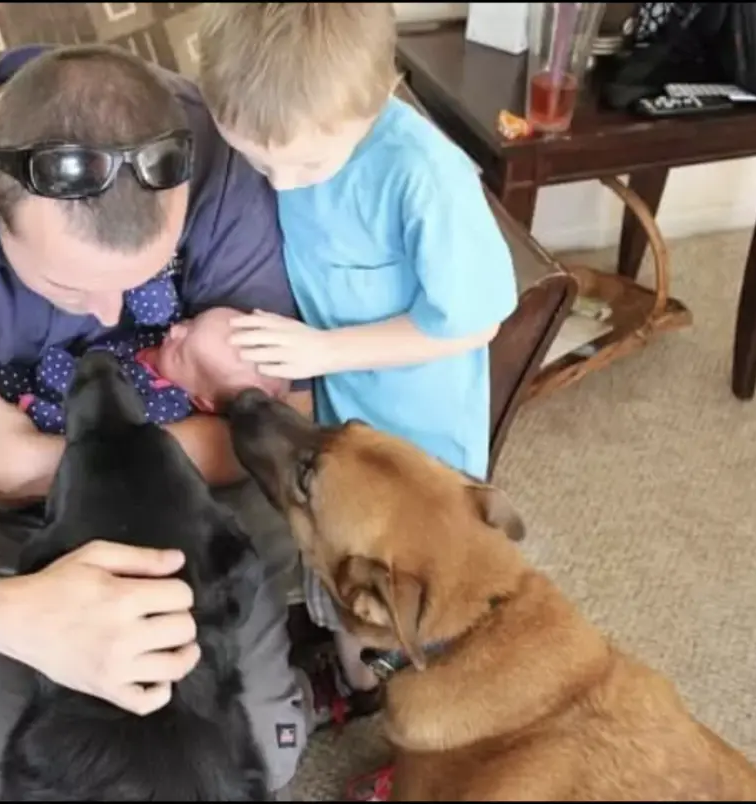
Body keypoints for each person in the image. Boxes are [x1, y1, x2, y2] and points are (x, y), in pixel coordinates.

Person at [0, 43, 318, 800]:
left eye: (147, 277)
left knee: (264, 756)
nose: (114, 314)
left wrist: (41, 463)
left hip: (176, 498)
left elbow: (282, 422)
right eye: (69, 284)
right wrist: (18, 617)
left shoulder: (215, 153)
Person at [196, 3, 520, 798]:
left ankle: (390, 698)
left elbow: (475, 321)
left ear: (378, 98)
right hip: (338, 424)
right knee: (334, 584)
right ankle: (358, 682)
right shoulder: (297, 139)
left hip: (417, 447)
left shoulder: (421, 174)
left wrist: (324, 351)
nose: (281, 183)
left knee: (398, 607)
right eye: (259, 163)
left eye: (301, 168)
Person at [0, 305, 291, 478]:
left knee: (4, 385)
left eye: (182, 349)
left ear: (201, 401)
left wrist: (59, 366)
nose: (176, 331)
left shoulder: (166, 405)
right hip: (62, 376)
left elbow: (94, 402)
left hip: (64, 408)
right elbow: (154, 306)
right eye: (190, 323)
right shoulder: (160, 341)